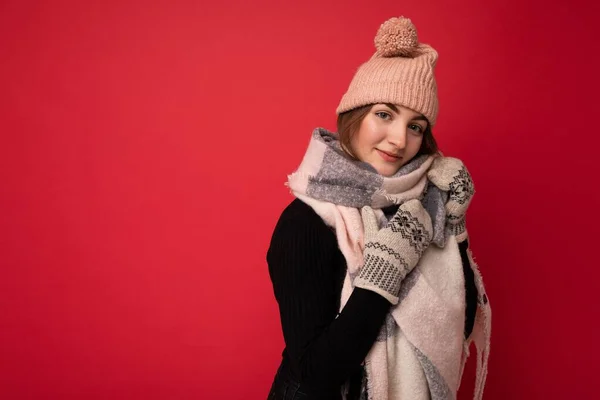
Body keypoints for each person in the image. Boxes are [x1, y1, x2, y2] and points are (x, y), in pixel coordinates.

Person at [266, 16, 491, 400]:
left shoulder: (419, 212)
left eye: (416, 126)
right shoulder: (305, 222)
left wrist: (455, 224)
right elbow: (316, 373)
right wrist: (382, 277)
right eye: (384, 115)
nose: (399, 140)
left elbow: (458, 324)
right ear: (355, 115)